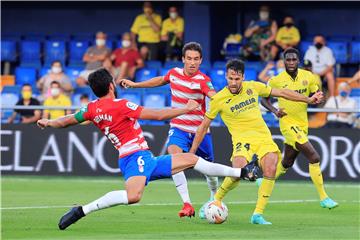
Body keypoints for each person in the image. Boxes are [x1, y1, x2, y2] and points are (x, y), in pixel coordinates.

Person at [36, 68, 259, 230]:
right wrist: (186, 108)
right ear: (111, 86)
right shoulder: (121, 106)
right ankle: (81, 211)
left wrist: (48, 123)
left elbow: (67, 120)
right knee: (133, 196)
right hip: (135, 158)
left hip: (144, 158)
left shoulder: (91, 109)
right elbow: (159, 115)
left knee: (191, 159)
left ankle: (243, 172)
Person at [189, 58, 324, 225]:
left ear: (243, 77)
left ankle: (257, 214)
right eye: (230, 78)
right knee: (237, 172)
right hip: (241, 140)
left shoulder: (253, 86)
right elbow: (203, 127)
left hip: (262, 137)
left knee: (271, 166)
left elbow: (282, 92)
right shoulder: (218, 99)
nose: (233, 82)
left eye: (237, 79)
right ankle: (214, 201)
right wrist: (191, 152)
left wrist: (308, 99)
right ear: (226, 77)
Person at [120, 42, 218, 219]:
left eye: (196, 59)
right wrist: (135, 85)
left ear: (201, 60)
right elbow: (159, 80)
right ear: (183, 59)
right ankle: (187, 204)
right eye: (189, 58)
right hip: (179, 127)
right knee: (174, 156)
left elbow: (213, 95)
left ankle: (214, 198)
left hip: (199, 131)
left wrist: (220, 99)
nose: (192, 62)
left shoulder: (203, 81)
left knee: (209, 170)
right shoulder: (174, 73)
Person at [261, 47, 338, 209]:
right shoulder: (276, 80)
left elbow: (316, 94)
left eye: (293, 59)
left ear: (298, 61)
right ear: (283, 61)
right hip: (288, 124)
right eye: (287, 60)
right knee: (314, 157)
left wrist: (318, 97)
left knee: (287, 162)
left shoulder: (308, 76)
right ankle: (324, 197)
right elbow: (264, 100)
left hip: (303, 124)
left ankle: (266, 179)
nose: (290, 62)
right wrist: (275, 111)